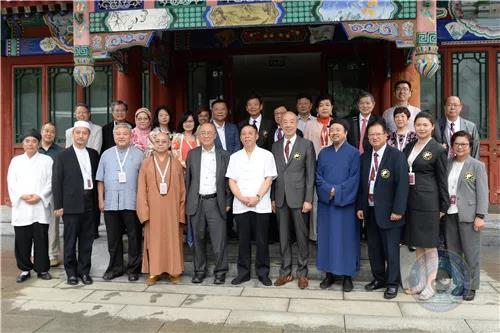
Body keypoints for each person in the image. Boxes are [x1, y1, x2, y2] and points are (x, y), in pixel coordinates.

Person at [357, 121, 409, 299]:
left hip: (390, 212)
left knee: (391, 250)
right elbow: (362, 186)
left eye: (378, 134)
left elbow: (402, 186)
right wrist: (361, 207)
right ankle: (378, 278)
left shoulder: (396, 156)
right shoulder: (364, 157)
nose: (374, 137)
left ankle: (392, 283)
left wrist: (398, 210)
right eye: (371, 134)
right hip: (370, 211)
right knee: (374, 248)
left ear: (386, 135)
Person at [403, 112, 449, 300]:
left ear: (432, 127)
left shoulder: (438, 149)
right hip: (411, 201)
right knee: (418, 244)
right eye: (418, 125)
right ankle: (420, 282)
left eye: (425, 125)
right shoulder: (409, 146)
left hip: (429, 203)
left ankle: (431, 284)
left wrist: (443, 207)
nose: (421, 128)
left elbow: (442, 180)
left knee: (429, 245)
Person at [226, 124, 277, 286]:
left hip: (260, 204)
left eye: (250, 133)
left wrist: (257, 197)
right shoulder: (235, 157)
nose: (247, 136)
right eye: (243, 134)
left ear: (256, 136)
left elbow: (269, 179)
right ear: (240, 138)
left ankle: (263, 273)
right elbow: (231, 180)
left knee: (262, 240)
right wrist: (241, 197)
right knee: (243, 240)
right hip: (241, 205)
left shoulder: (266, 155)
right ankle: (244, 273)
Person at [271, 112, 316, 289]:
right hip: (281, 198)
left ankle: (302, 273)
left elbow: (310, 174)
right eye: (284, 122)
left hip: (299, 199)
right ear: (280, 124)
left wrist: (308, 199)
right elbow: (272, 175)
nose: (288, 125)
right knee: (283, 237)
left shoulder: (306, 144)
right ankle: (285, 272)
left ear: (296, 123)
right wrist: (273, 198)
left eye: (291, 122)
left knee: (301, 237)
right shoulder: (275, 146)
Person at [53, 121, 100, 285]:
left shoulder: (94, 154)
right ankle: (71, 272)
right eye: (78, 133)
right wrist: (58, 205)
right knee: (70, 239)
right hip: (71, 203)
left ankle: (84, 271)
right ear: (73, 135)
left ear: (88, 135)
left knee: (87, 239)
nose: (81, 136)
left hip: (90, 202)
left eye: (84, 133)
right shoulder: (62, 156)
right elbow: (56, 181)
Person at [136, 132, 186, 286]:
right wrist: (144, 212)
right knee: (153, 240)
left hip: (171, 210)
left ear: (169, 144)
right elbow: (141, 190)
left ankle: (174, 271)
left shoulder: (176, 163)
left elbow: (183, 190)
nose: (160, 144)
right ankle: (154, 272)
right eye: (157, 141)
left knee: (173, 240)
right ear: (153, 144)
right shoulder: (146, 163)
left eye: (164, 141)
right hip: (153, 210)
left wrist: (181, 212)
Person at [316, 119, 360, 292]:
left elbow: (355, 178)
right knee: (327, 238)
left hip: (345, 205)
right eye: (332, 129)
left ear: (346, 133)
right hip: (327, 204)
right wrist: (328, 190)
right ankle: (329, 274)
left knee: (346, 239)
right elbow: (318, 177)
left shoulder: (354, 153)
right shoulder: (323, 153)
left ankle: (347, 276)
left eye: (338, 130)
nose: (334, 132)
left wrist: (338, 190)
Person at [96, 123, 144, 282]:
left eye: (125, 134)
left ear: (131, 136)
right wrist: (100, 200)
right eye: (118, 134)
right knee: (113, 238)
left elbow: (144, 182)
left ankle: (133, 269)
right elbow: (100, 180)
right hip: (110, 203)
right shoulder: (106, 155)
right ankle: (115, 268)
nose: (121, 136)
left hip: (132, 202)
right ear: (114, 136)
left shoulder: (139, 154)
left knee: (134, 237)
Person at [185, 123, 232, 284]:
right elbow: (188, 180)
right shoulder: (192, 154)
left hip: (215, 201)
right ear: (198, 135)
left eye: (209, 133)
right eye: (202, 133)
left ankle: (220, 271)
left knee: (218, 240)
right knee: (198, 239)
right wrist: (188, 202)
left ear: (215, 135)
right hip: (196, 201)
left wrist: (227, 201)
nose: (205, 135)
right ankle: (199, 270)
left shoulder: (224, 155)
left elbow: (228, 181)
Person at [445, 131, 488, 301]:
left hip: (469, 215)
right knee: (453, 252)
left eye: (464, 144)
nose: (460, 147)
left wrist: (480, 215)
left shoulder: (477, 166)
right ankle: (459, 284)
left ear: (470, 146)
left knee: (471, 253)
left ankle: (471, 286)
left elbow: (483, 193)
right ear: (452, 146)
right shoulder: (448, 163)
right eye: (457, 144)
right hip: (450, 213)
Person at [7, 129, 53, 283]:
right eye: (27, 141)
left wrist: (39, 196)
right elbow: (11, 182)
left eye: (34, 141)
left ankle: (42, 269)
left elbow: (50, 182)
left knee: (41, 239)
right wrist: (22, 195)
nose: (30, 144)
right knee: (22, 240)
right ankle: (25, 269)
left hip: (39, 206)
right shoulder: (16, 161)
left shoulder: (47, 161)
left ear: (38, 143)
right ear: (23, 143)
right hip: (22, 206)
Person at [303, 94, 334, 241]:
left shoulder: (337, 124)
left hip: (334, 168)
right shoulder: (310, 125)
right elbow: (306, 147)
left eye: (327, 105)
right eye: (321, 105)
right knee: (315, 201)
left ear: (332, 108)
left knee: (332, 200)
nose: (324, 107)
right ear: (316, 109)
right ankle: (315, 235)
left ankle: (332, 233)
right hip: (315, 167)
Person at [211, 99, 241, 239]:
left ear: (227, 111)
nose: (220, 111)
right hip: (213, 167)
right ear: (212, 111)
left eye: (223, 109)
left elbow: (237, 146)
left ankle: (229, 230)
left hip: (232, 167)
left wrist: (230, 162)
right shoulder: (207, 128)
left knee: (231, 195)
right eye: (217, 109)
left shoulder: (232, 127)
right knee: (217, 196)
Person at [38, 122, 63, 267]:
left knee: (53, 224)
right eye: (46, 131)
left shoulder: (59, 152)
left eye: (52, 131)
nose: (49, 134)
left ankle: (52, 254)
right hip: (37, 192)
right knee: (37, 222)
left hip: (54, 192)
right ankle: (37, 252)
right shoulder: (35, 149)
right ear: (42, 132)